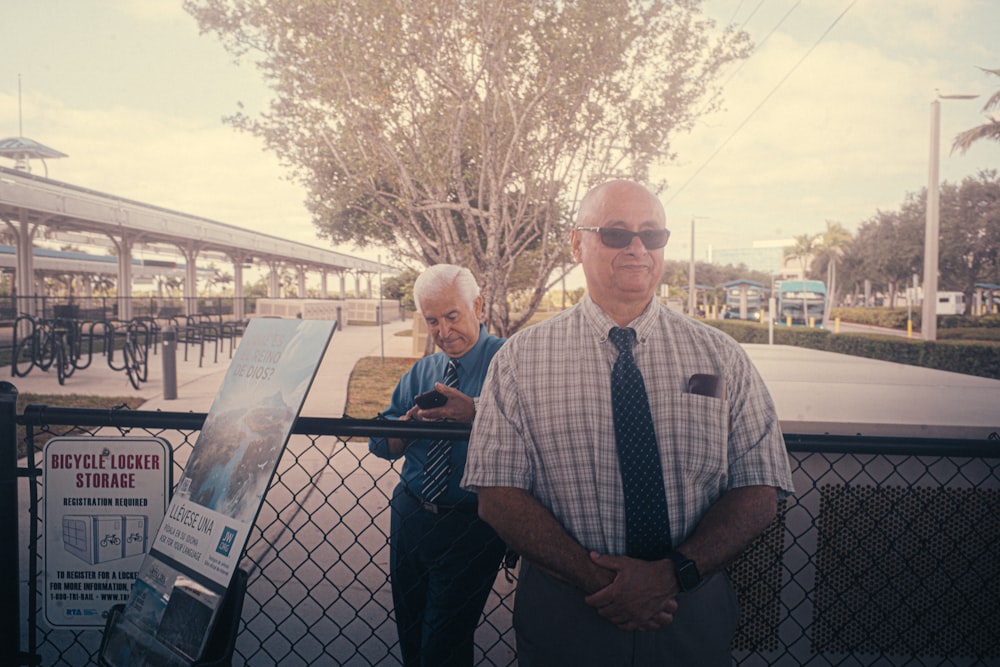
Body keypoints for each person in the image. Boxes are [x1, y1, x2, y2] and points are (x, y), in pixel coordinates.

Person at [462, 180, 794, 666]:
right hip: (568, 616)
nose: (638, 247)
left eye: (652, 235)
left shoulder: (720, 356)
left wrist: (669, 576)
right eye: (616, 234)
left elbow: (760, 485)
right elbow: (498, 494)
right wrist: (609, 586)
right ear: (578, 243)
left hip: (689, 611)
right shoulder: (520, 361)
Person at [369, 264, 507, 667]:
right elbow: (381, 443)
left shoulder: (509, 361)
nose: (444, 332)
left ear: (477, 306)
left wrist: (474, 411)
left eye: (452, 316)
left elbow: (535, 424)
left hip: (471, 522)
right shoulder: (422, 372)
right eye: (432, 321)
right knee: (412, 635)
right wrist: (407, 426)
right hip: (411, 515)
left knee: (443, 644)